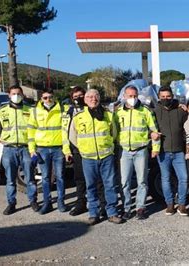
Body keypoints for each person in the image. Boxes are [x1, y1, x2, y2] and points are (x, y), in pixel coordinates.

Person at [64, 89, 123, 225]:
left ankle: (112, 212)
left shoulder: (108, 115)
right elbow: (72, 137)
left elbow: (113, 133)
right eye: (89, 97)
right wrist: (84, 148)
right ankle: (93, 214)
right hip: (88, 158)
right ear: (85, 100)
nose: (93, 99)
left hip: (106, 156)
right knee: (90, 186)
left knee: (110, 186)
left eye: (95, 96)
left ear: (99, 98)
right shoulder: (78, 117)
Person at [114, 85, 160, 220]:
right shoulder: (117, 112)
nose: (132, 99)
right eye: (130, 96)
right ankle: (127, 208)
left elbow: (154, 130)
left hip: (141, 150)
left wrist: (156, 148)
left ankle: (140, 207)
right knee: (124, 182)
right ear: (124, 97)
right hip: (124, 151)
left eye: (135, 96)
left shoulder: (145, 110)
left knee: (142, 181)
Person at [62, 86, 106, 217]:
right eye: (75, 97)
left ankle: (102, 204)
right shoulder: (68, 112)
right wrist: (66, 151)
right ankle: (81, 203)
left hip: (94, 151)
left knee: (98, 180)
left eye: (81, 96)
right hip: (77, 151)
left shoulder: (94, 109)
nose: (78, 99)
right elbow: (65, 132)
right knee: (80, 179)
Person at [0, 85, 39, 215]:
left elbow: (35, 129)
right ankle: (11, 203)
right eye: (13, 93)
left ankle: (33, 201)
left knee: (30, 178)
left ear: (23, 95)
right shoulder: (2, 111)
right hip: (9, 149)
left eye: (19, 93)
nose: (16, 96)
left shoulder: (30, 110)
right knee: (10, 179)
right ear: (9, 95)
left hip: (26, 148)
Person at [27, 88, 67, 214]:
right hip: (42, 149)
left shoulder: (61, 110)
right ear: (41, 99)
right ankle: (47, 202)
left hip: (58, 148)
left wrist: (66, 150)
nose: (48, 100)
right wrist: (32, 149)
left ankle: (61, 201)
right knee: (45, 177)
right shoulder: (35, 112)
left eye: (50, 97)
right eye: (45, 97)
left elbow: (64, 131)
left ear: (54, 97)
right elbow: (31, 131)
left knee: (60, 177)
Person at [152, 86, 189, 216]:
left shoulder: (180, 110)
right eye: (163, 97)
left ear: (172, 96)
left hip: (179, 151)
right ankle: (169, 205)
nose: (165, 99)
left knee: (183, 178)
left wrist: (187, 108)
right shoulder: (154, 112)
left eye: (168, 96)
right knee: (165, 179)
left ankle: (182, 204)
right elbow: (148, 128)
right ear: (159, 97)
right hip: (163, 151)